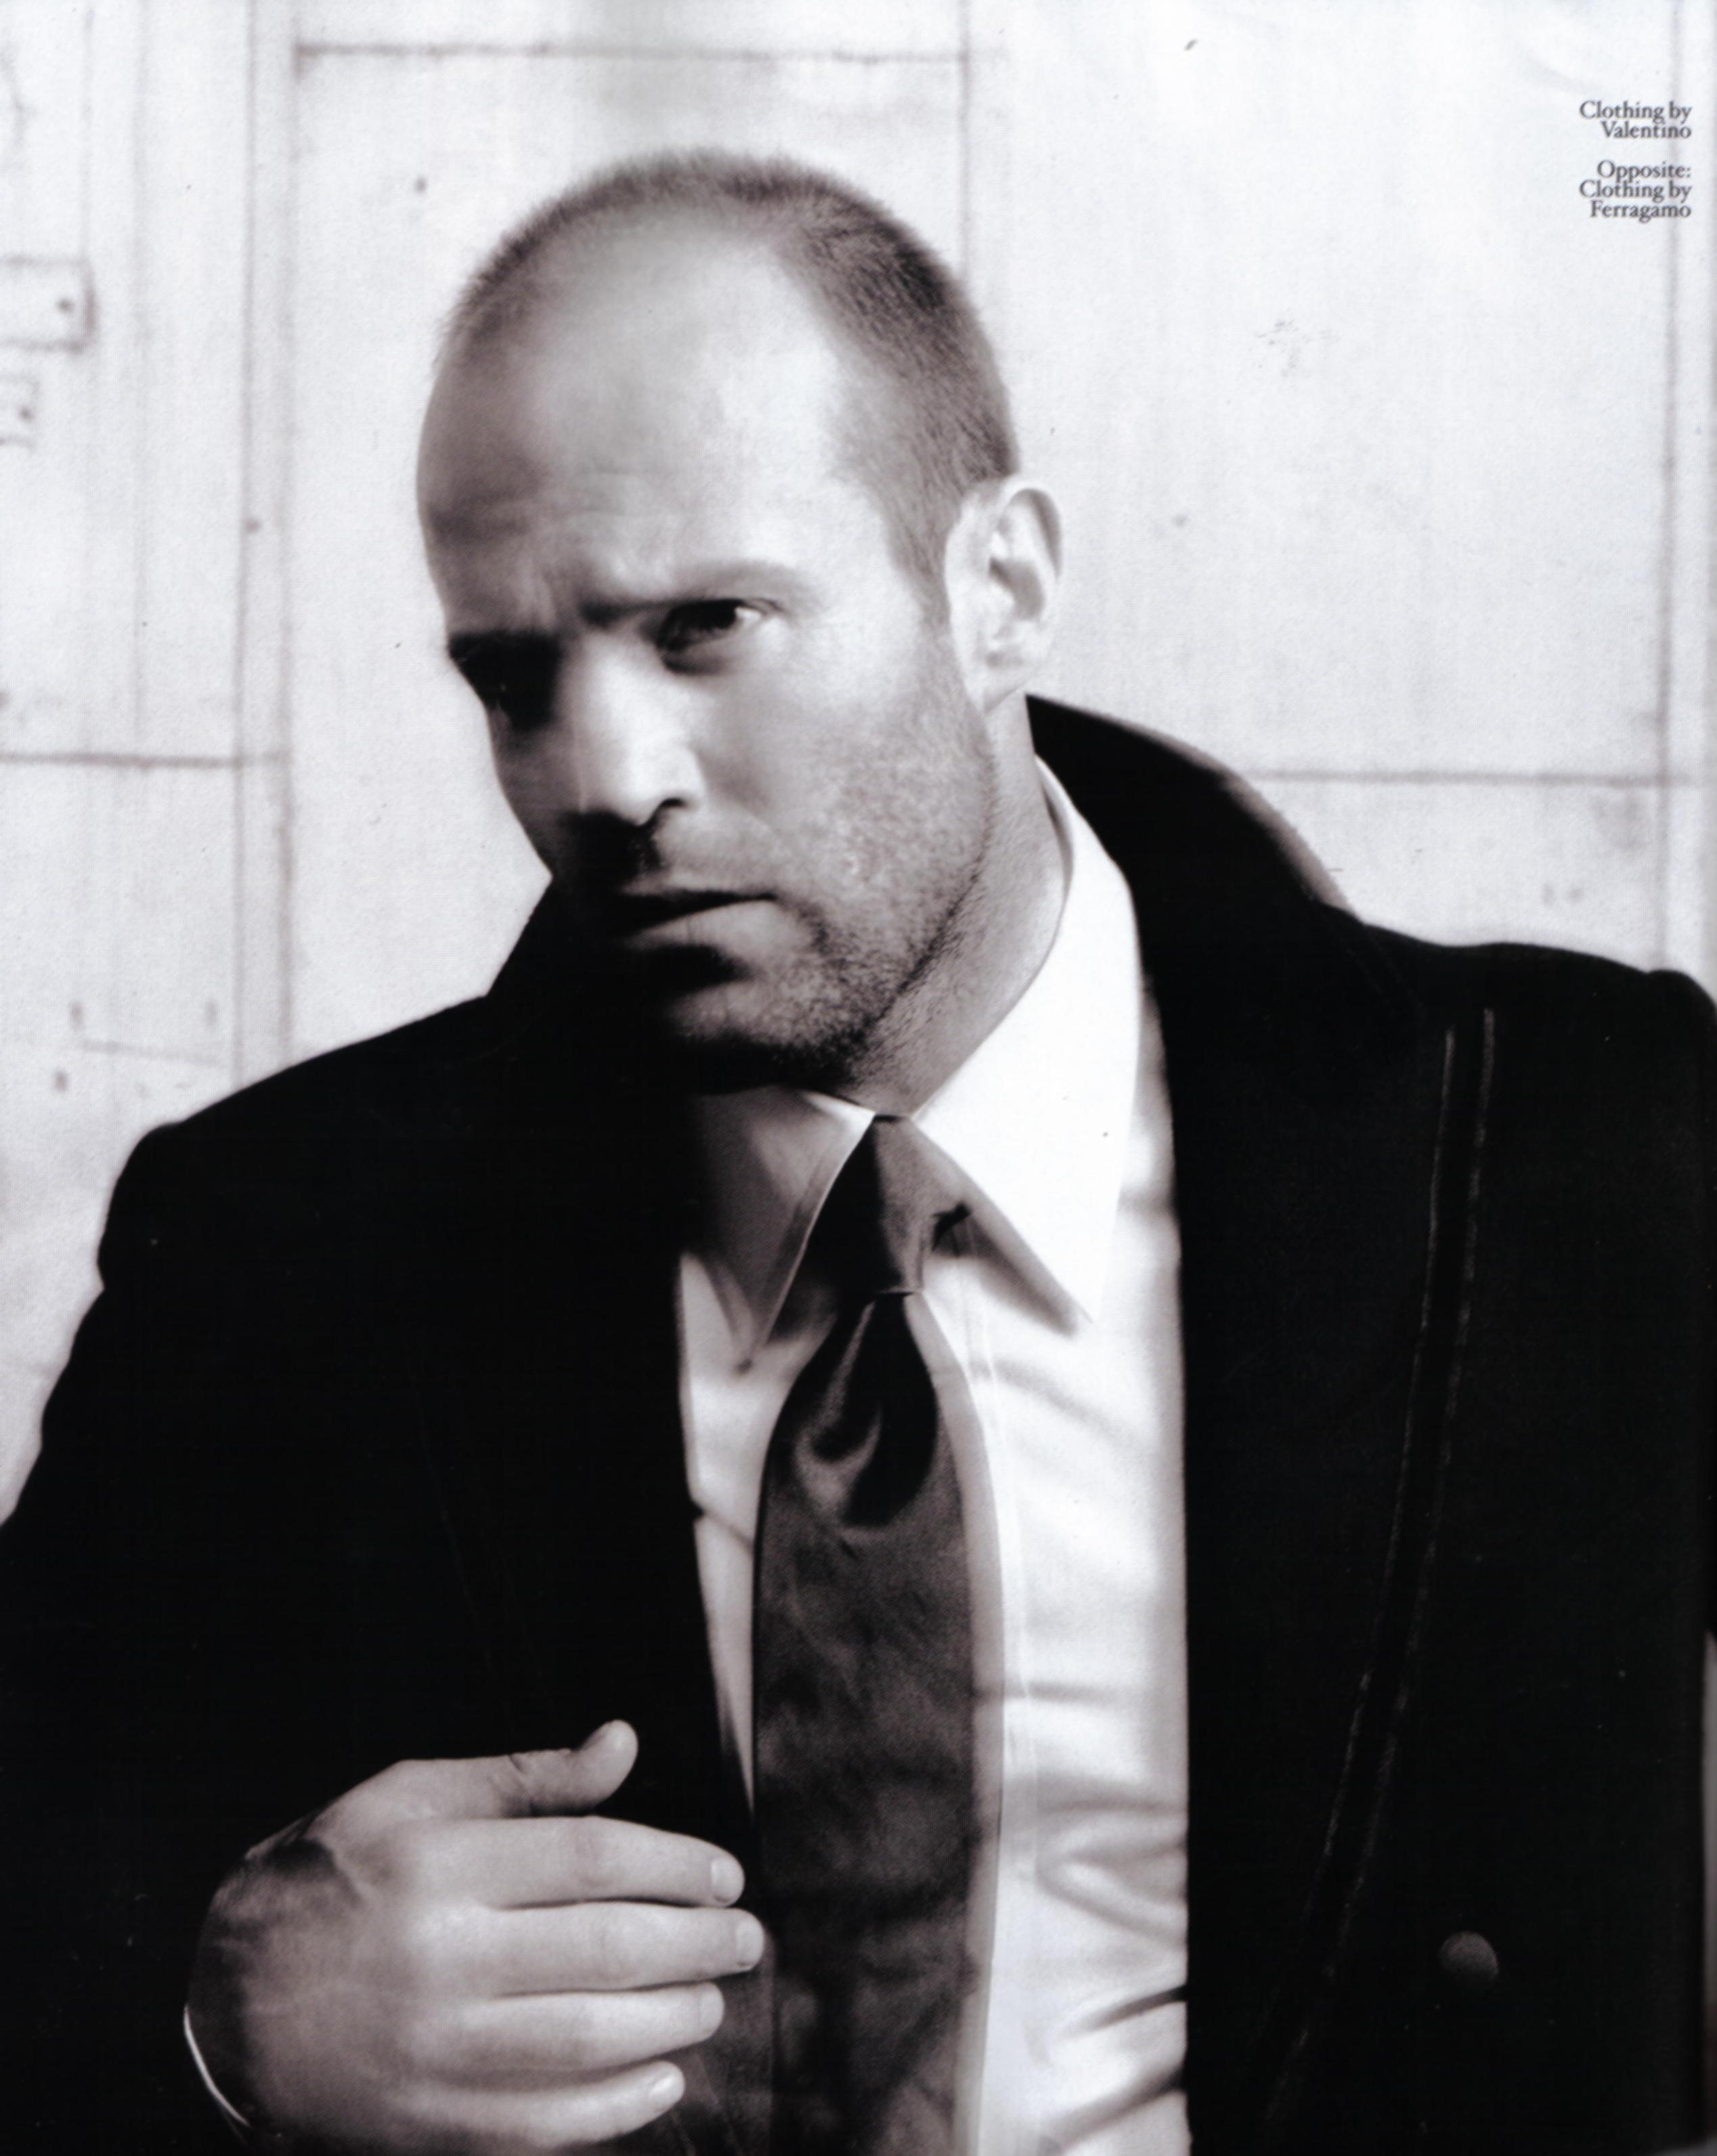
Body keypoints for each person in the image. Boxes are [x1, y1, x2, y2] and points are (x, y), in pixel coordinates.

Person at [1, 152, 1711, 2156]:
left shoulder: (1593, 1143)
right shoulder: (281, 1239)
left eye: (705, 626)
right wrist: (221, 2021)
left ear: (999, 592)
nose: (602, 779)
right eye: (514, 677)